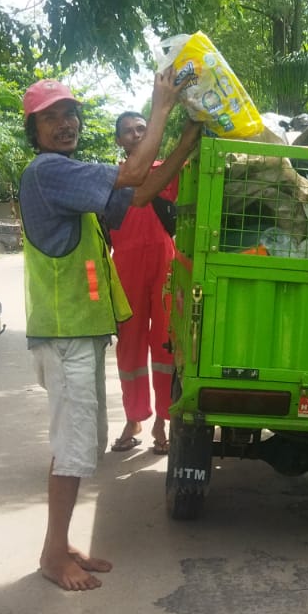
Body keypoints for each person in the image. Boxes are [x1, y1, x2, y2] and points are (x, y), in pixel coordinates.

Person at [20, 72, 201, 591]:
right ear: (34, 131)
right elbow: (137, 170)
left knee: (84, 443)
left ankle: (61, 545)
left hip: (80, 334)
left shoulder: (71, 180)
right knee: (74, 447)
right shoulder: (49, 171)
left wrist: (187, 141)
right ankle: (52, 554)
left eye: (69, 115)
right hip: (65, 336)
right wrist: (162, 106)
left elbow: (141, 194)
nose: (65, 124)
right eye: (51, 118)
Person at [108, 110, 178, 455]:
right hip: (125, 268)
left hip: (165, 265)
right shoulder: (113, 178)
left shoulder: (167, 171)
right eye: (128, 131)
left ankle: (163, 420)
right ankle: (133, 418)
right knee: (129, 347)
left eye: (141, 129)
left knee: (165, 344)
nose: (136, 135)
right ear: (119, 140)